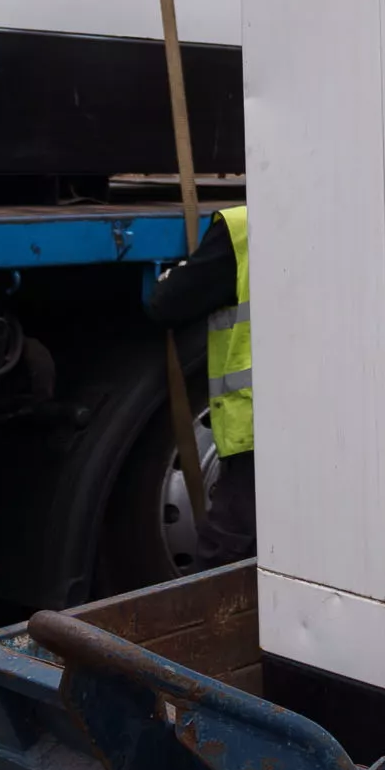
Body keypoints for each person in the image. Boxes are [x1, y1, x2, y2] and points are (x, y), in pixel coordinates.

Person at [142, 202, 256, 560]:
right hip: (331, 424)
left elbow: (168, 305)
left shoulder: (242, 228)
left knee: (230, 554)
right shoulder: (354, 216)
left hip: (257, 429)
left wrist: (172, 277)